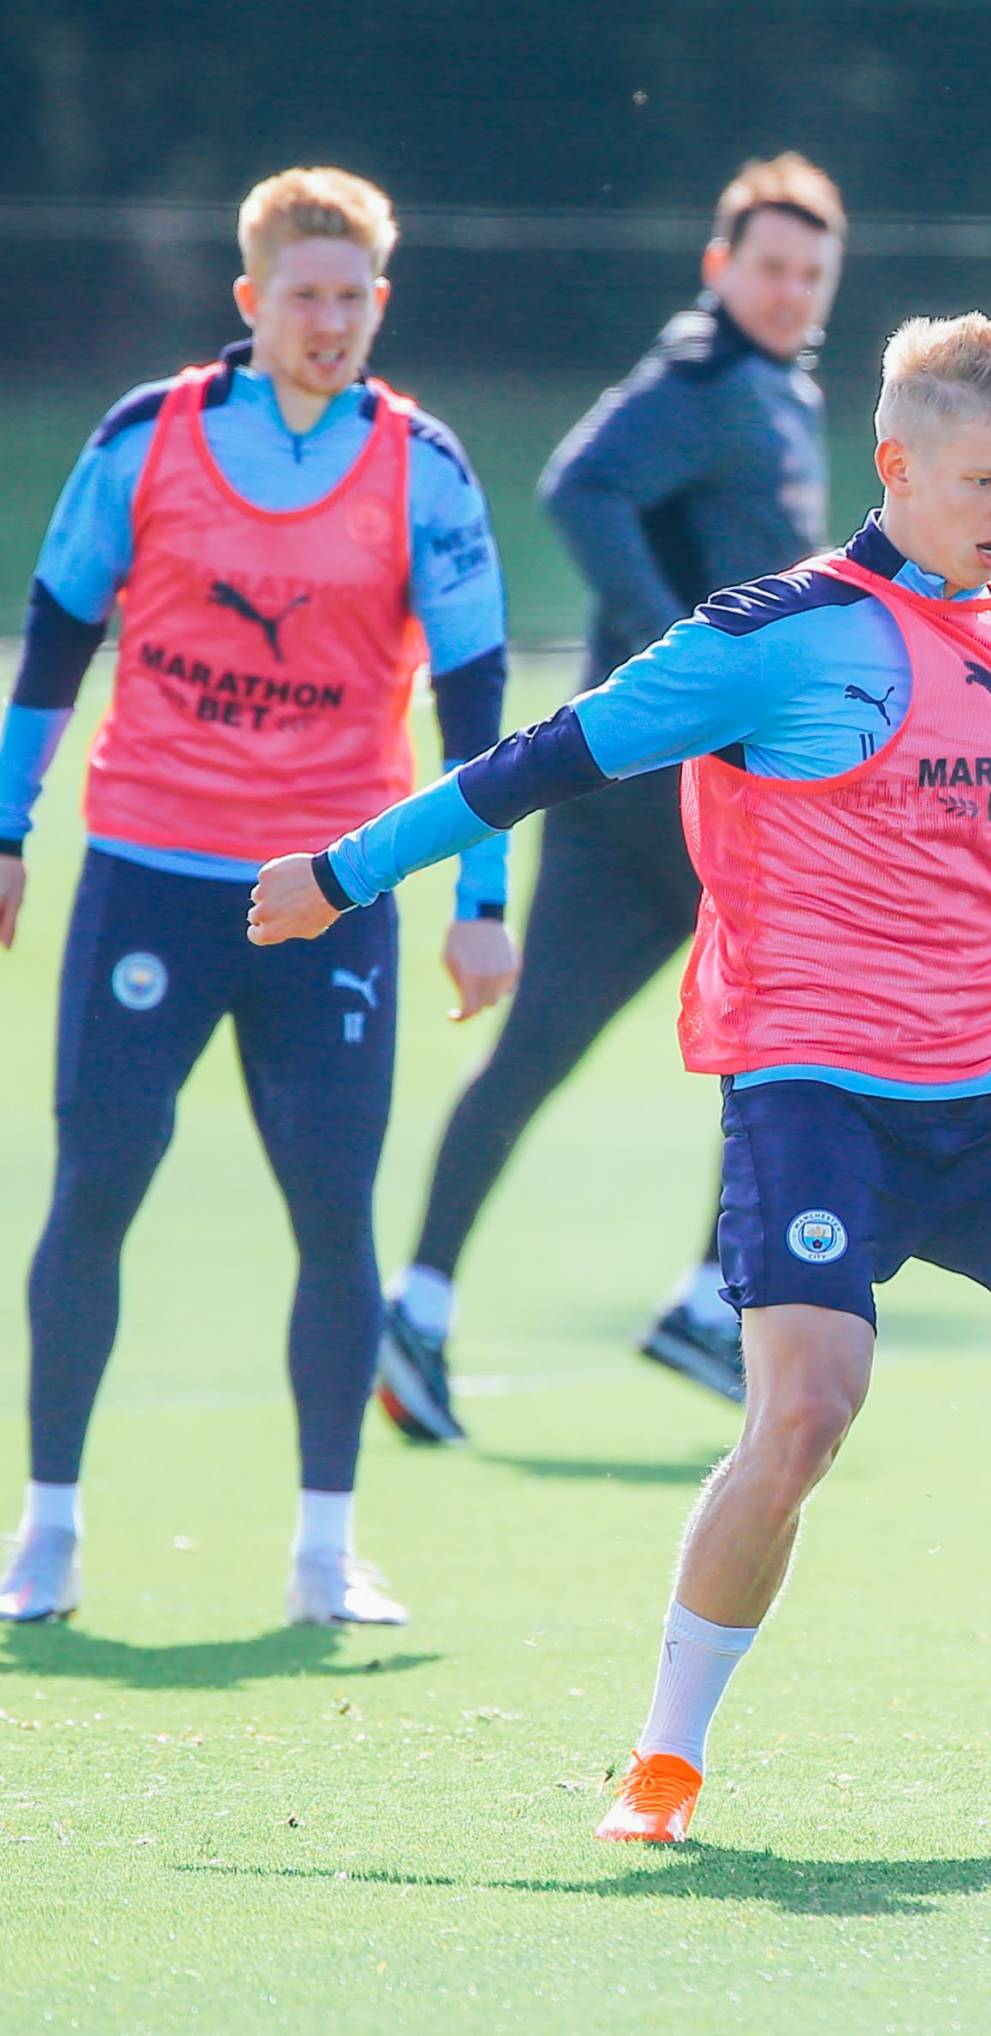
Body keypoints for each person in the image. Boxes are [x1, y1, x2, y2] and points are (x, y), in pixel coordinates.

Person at [247, 314, 991, 1840]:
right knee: (807, 1413)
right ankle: (665, 1762)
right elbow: (545, 756)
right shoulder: (771, 636)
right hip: (810, 1086)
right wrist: (345, 873)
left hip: (988, 1088)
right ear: (897, 466)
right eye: (986, 478)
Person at [0, 167, 517, 1627]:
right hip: (152, 876)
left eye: (355, 300)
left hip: (332, 891)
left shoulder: (425, 465)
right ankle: (45, 1531)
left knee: (334, 1212)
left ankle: (323, 1548)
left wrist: (481, 893)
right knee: (96, 1185)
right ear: (250, 301)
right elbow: (53, 635)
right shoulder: (147, 438)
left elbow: (480, 692)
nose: (330, 324)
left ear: (380, 306)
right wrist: (6, 826)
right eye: (305, 297)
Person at [375, 155, 845, 1440]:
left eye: (813, 273)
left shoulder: (781, 392)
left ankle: (466, 1302)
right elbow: (578, 482)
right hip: (663, 796)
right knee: (781, 1028)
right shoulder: (696, 379)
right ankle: (451, 1305)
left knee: (768, 1030)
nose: (793, 290)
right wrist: (668, 646)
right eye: (771, 267)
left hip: (686, 797)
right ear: (719, 268)